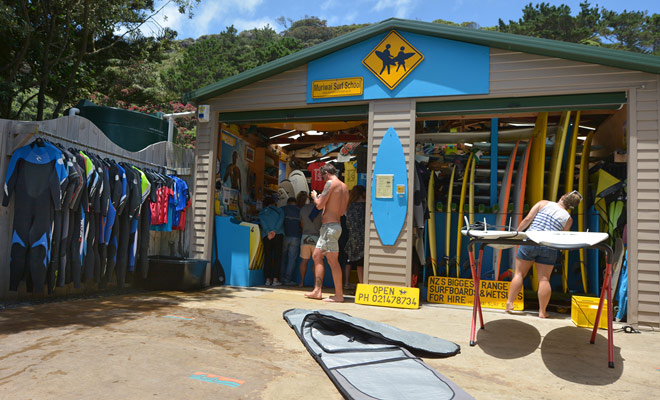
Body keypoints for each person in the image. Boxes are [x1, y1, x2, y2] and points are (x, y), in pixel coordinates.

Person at [505, 190, 583, 318]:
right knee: (544, 279)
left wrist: (517, 233)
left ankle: (510, 303)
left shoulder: (543, 203)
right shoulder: (568, 219)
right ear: (571, 207)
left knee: (519, 273)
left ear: (562, 197)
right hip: (549, 246)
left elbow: (527, 219)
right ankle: (542, 311)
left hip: (530, 241)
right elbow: (561, 236)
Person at [304, 164, 349, 302]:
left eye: (322, 176)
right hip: (333, 226)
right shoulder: (345, 187)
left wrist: (315, 196)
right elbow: (342, 211)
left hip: (329, 227)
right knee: (317, 255)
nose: (323, 180)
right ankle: (317, 291)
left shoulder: (330, 183)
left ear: (326, 173)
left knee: (333, 261)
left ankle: (339, 295)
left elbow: (319, 205)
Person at [343, 185, 366, 290]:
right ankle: (364, 284)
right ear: (363, 193)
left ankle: (357, 284)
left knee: (355, 262)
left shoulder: (350, 207)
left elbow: (348, 223)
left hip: (353, 237)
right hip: (364, 237)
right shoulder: (366, 206)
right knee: (364, 262)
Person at [279, 194, 305, 285]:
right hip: (296, 237)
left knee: (282, 257)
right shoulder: (300, 211)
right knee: (292, 259)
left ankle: (280, 278)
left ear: (287, 202)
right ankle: (287, 279)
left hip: (284, 236)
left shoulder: (282, 209)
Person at [258, 196, 284, 286]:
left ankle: (267, 280)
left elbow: (263, 223)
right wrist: (275, 231)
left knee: (268, 257)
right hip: (278, 235)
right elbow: (281, 220)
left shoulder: (261, 213)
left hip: (267, 236)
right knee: (277, 257)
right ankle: (275, 280)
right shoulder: (279, 210)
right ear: (274, 203)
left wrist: (269, 232)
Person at [298, 192, 322, 287]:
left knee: (304, 261)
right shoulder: (320, 208)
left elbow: (301, 224)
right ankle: (316, 284)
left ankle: (302, 282)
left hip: (305, 236)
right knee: (317, 262)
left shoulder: (303, 209)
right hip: (316, 237)